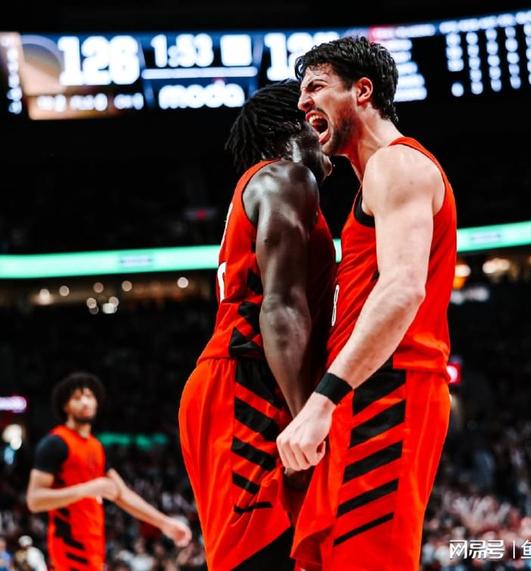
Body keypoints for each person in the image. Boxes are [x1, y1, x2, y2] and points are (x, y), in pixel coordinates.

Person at [276, 36, 458, 570]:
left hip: (389, 386)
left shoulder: (396, 165)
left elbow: (403, 289)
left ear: (362, 91)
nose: (303, 102)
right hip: (364, 388)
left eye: (316, 87)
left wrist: (321, 402)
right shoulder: (375, 178)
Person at [178, 80, 336, 570]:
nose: (326, 133)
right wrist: (307, 416)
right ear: (290, 127)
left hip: (241, 379)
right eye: (316, 122)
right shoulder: (287, 176)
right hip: (248, 382)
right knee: (259, 557)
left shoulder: (268, 185)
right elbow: (281, 305)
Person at [26, 371, 192, 570]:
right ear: (65, 406)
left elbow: (122, 494)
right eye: (77, 398)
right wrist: (88, 489)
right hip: (69, 547)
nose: (85, 402)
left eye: (89, 396)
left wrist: (165, 523)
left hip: (94, 546)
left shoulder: (96, 447)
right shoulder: (55, 443)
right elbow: (34, 500)